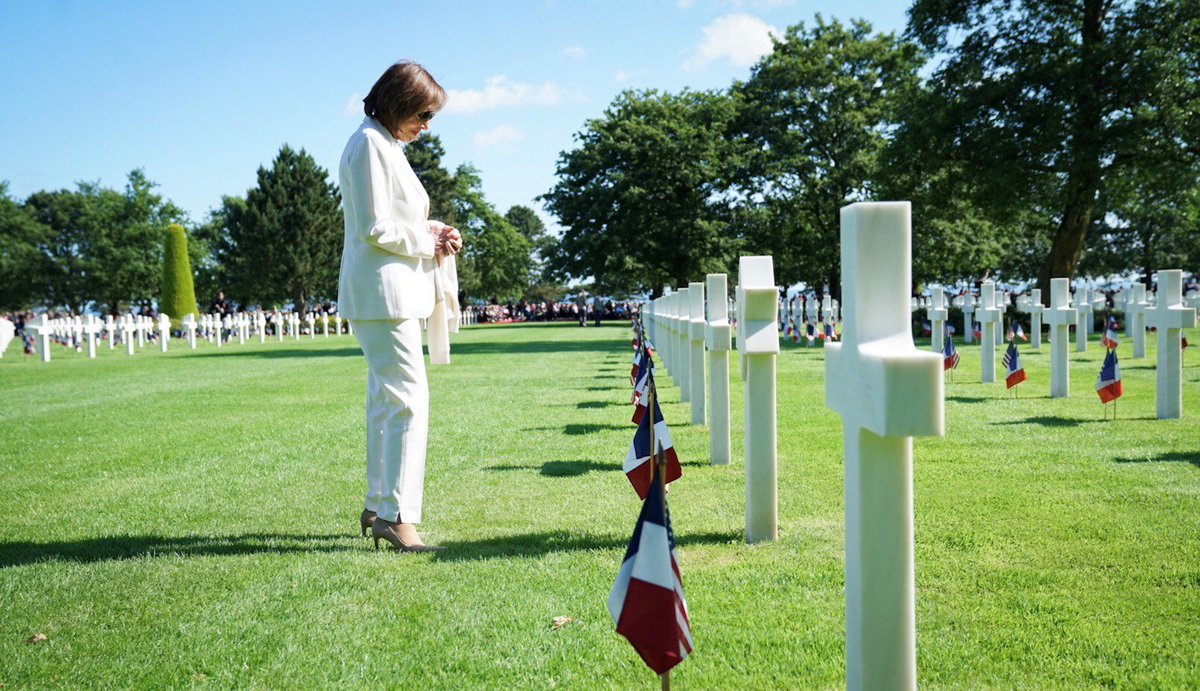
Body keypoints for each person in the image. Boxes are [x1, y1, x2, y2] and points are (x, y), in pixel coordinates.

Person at [338, 60, 463, 553]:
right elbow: (373, 227)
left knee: (387, 402)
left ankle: (377, 503)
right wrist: (424, 240)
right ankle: (396, 515)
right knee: (409, 400)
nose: (426, 127)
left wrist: (433, 232)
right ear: (397, 103)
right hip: (382, 293)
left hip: (390, 292)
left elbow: (393, 221)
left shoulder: (384, 145)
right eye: (421, 114)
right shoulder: (369, 144)